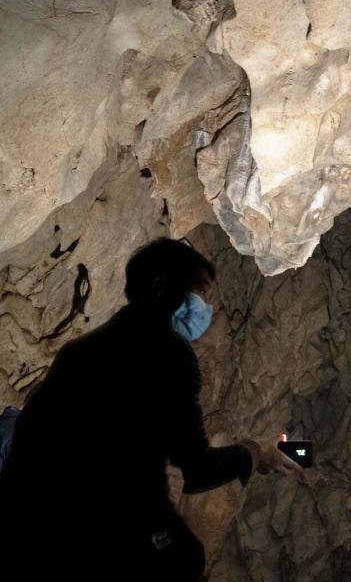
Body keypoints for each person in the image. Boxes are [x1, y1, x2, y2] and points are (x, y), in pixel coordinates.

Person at [0, 238, 300, 580]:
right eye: (198, 292)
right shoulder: (170, 355)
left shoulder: (86, 345)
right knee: (184, 558)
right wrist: (254, 453)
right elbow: (197, 469)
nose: (205, 306)